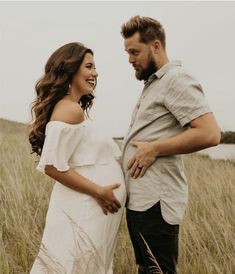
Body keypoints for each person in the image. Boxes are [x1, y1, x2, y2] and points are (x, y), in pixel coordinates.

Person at [120, 16, 221, 274]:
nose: (130, 59)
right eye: (127, 53)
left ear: (155, 46)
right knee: (146, 269)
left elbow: (210, 133)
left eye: (134, 52)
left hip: (157, 202)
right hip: (141, 201)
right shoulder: (154, 84)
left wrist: (154, 148)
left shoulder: (176, 79)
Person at [29, 42, 126, 274]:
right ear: (69, 69)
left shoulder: (72, 107)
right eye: (89, 66)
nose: (95, 73)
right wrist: (98, 191)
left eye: (95, 67)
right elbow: (52, 167)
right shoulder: (69, 110)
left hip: (88, 210)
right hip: (83, 209)